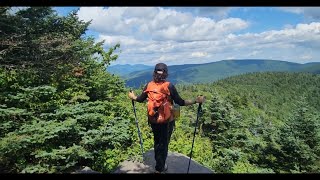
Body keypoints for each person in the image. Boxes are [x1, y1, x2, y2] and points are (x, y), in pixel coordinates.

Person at [128, 63, 205, 173]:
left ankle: (158, 162)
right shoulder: (169, 86)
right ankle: (160, 167)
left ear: (154, 73)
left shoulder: (148, 86)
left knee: (157, 141)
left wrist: (132, 96)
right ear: (166, 74)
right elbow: (180, 102)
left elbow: (140, 99)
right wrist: (196, 100)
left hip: (153, 120)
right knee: (164, 143)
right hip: (167, 121)